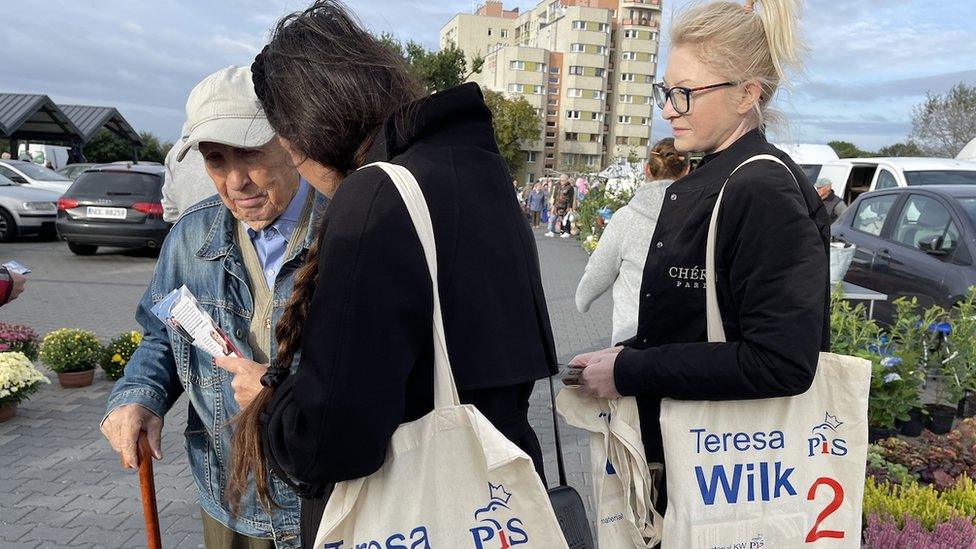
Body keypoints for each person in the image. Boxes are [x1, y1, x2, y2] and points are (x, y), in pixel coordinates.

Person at [215, 3, 558, 545]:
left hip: (414, 513)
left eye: (290, 149)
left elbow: (331, 441)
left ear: (310, 132)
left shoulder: (378, 197)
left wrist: (270, 395)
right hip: (499, 505)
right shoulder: (478, 171)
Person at [569, 0, 830, 514]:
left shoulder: (758, 188)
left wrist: (632, 371)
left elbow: (781, 362)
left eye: (685, 93)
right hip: (697, 464)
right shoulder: (723, 177)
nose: (667, 110)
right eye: (666, 92)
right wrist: (627, 359)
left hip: (726, 479)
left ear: (746, 94)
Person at [100, 66, 321, 549]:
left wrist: (279, 391)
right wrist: (139, 395)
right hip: (230, 495)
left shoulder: (346, 226)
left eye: (250, 154)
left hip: (328, 500)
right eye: (216, 160)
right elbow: (163, 334)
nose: (235, 181)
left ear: (291, 141)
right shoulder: (190, 236)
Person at [576, 138, 690, 344]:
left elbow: (600, 270)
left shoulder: (626, 217)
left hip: (630, 337)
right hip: (683, 341)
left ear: (647, 169)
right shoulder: (701, 217)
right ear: (687, 170)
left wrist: (582, 299)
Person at [161, 122, 220, 222]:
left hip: (188, 233)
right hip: (236, 232)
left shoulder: (174, 152)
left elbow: (170, 211)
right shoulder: (232, 140)